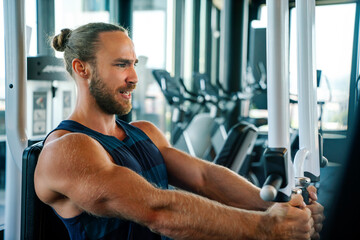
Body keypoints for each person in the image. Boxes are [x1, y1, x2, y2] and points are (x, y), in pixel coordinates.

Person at [34, 22, 324, 240]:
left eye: (134, 64)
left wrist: (280, 206)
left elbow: (204, 178)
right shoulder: (67, 149)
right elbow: (158, 210)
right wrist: (268, 227)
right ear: (82, 69)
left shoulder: (143, 131)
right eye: (121, 65)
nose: (134, 77)